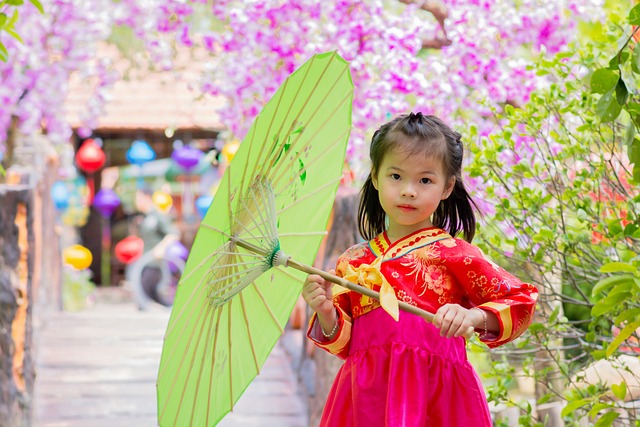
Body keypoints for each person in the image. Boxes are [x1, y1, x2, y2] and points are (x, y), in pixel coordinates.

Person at [302, 112, 539, 426]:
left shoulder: (455, 254)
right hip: (366, 399)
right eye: (396, 176)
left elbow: (521, 299)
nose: (408, 190)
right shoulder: (353, 262)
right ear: (375, 177)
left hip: (436, 400)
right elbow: (346, 345)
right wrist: (326, 310)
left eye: (425, 180)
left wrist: (471, 316)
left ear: (446, 186)